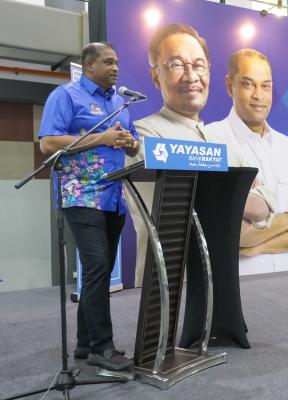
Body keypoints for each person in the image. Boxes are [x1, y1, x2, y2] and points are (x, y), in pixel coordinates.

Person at [127, 24, 273, 286]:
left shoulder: (222, 139)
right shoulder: (143, 135)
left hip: (222, 279)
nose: (191, 76)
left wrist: (210, 190)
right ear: (155, 76)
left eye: (199, 65)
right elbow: (179, 209)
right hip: (170, 283)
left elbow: (265, 206)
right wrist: (235, 195)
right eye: (176, 64)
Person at [39, 42, 139, 371]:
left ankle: (84, 343)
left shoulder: (120, 103)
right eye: (108, 62)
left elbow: (132, 143)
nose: (115, 68)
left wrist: (130, 142)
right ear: (89, 65)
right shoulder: (65, 96)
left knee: (100, 271)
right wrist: (102, 138)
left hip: (113, 197)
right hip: (80, 194)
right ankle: (102, 348)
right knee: (96, 266)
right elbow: (48, 143)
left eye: (117, 62)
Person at [205, 48, 288, 275]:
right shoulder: (210, 142)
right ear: (229, 86)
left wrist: (259, 246)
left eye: (266, 86)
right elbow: (232, 235)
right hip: (242, 286)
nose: (258, 95)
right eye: (248, 84)